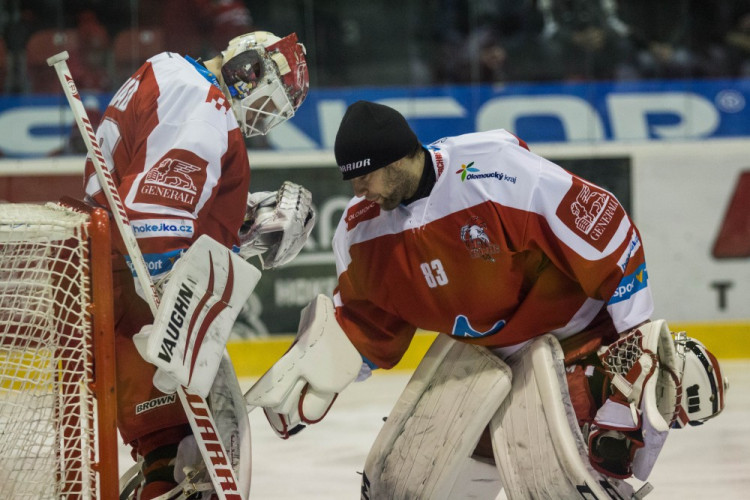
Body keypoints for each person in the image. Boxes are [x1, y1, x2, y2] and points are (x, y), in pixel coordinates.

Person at [246, 101, 727, 498]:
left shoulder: (498, 173)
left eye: (365, 177)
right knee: (407, 487)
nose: (358, 191)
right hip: (477, 364)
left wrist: (634, 340)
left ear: (397, 161)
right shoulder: (360, 229)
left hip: (571, 340)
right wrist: (327, 369)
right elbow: (369, 321)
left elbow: (607, 233)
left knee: (569, 481)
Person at [82, 30, 312, 498]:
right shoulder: (206, 104)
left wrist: (239, 223)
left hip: (113, 282)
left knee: (168, 454)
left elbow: (150, 187)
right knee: (189, 468)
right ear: (250, 72)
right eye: (269, 102)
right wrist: (177, 320)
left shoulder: (171, 69)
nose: (262, 118)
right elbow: (153, 222)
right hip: (137, 298)